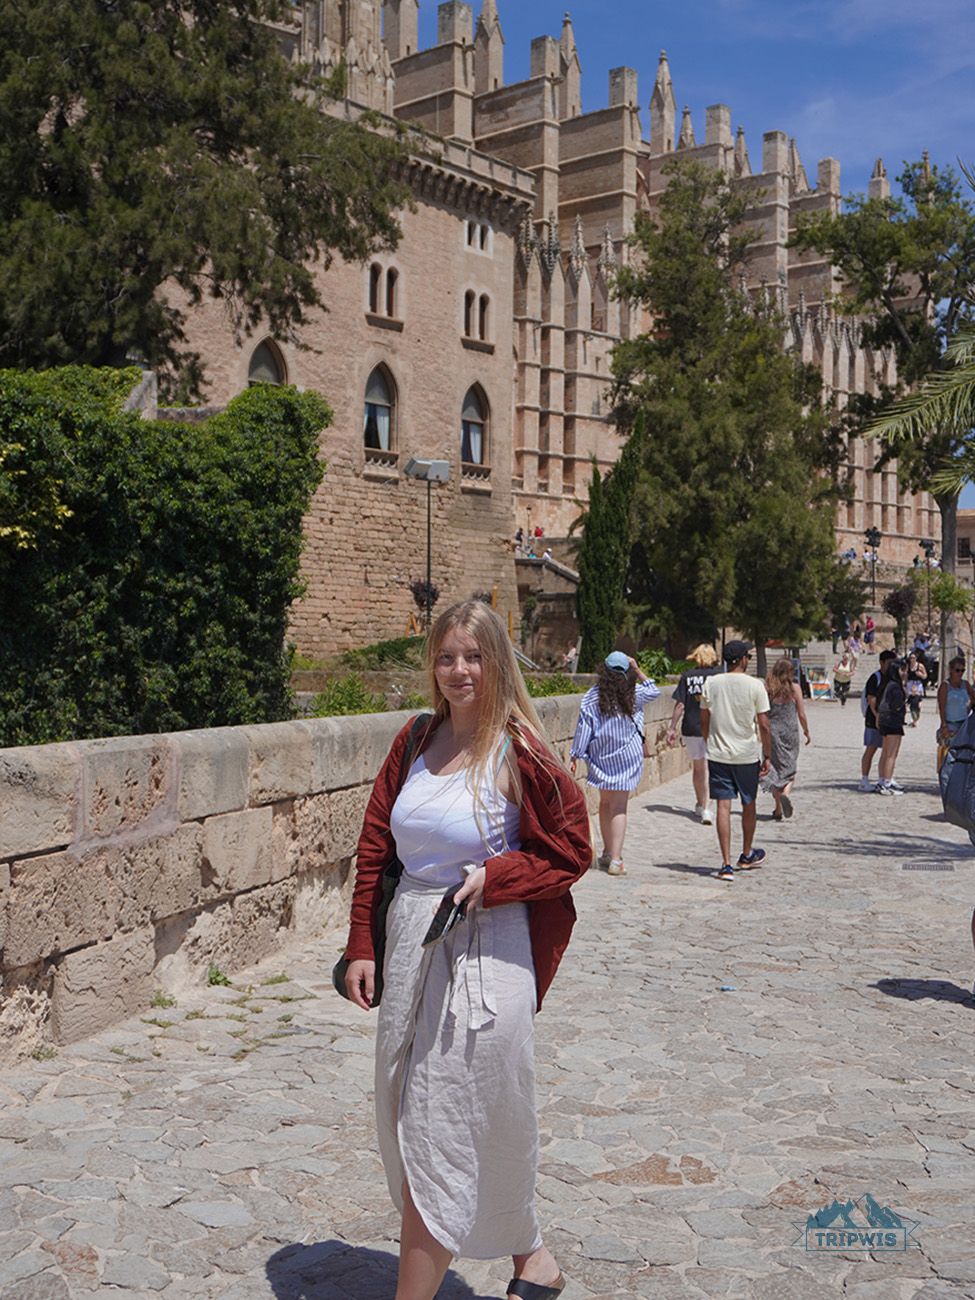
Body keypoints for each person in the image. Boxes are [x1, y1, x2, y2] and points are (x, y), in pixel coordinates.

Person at [342, 600, 591, 1300]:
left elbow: (573, 850)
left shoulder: (519, 750)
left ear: (497, 662)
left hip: (488, 952)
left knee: (438, 1125)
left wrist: (499, 876)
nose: (459, 670)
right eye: (447, 656)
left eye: (473, 656)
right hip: (413, 947)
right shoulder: (414, 740)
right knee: (467, 1113)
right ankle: (532, 1257)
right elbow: (375, 849)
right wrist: (362, 941)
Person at [570, 652, 660, 876]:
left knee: (604, 803)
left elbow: (584, 729)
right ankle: (616, 860)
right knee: (619, 807)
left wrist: (575, 755)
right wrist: (637, 669)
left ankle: (608, 852)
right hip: (626, 758)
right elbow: (654, 690)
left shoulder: (592, 697)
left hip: (600, 758)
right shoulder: (634, 694)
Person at [700, 640, 772, 882]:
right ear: (743, 660)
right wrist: (768, 755)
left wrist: (710, 740)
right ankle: (747, 853)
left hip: (719, 753)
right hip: (747, 754)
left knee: (723, 805)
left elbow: (703, 719)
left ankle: (726, 864)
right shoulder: (755, 685)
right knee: (749, 803)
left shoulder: (711, 683)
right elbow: (764, 724)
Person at [667, 643, 722, 824]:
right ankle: (707, 809)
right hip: (711, 728)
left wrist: (672, 727)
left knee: (697, 768)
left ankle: (699, 804)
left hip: (690, 727)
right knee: (709, 769)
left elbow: (680, 704)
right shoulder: (717, 676)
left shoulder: (688, 676)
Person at [761, 657, 810, 820]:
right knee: (789, 767)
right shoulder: (795, 688)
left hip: (773, 732)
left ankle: (778, 809)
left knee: (774, 768)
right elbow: (801, 714)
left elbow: (763, 714)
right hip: (790, 732)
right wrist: (806, 731)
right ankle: (786, 794)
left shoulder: (768, 689)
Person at [860, 648, 897, 792]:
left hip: (887, 718)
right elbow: (871, 699)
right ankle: (864, 778)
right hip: (874, 719)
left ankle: (885, 777)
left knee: (887, 750)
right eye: (889, 663)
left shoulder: (892, 678)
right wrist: (877, 716)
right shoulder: (875, 678)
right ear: (882, 662)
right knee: (871, 748)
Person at [875, 657, 908, 795]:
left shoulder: (887, 684)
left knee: (885, 753)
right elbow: (897, 705)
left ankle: (882, 780)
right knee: (891, 754)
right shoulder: (896, 686)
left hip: (884, 720)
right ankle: (887, 783)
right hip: (893, 721)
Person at [937, 656, 975, 770]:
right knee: (948, 752)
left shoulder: (965, 684)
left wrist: (968, 708)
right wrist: (944, 725)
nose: (960, 673)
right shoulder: (945, 685)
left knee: (963, 752)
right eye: (957, 670)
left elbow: (973, 697)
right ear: (951, 670)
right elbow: (941, 706)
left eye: (962, 670)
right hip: (950, 722)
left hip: (963, 723)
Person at [906, 650, 928, 726]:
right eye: (911, 658)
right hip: (910, 683)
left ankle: (916, 717)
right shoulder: (907, 666)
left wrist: (920, 674)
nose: (912, 659)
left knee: (916, 700)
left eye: (914, 658)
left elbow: (925, 676)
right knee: (910, 701)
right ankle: (913, 717)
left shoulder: (920, 666)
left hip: (917, 683)